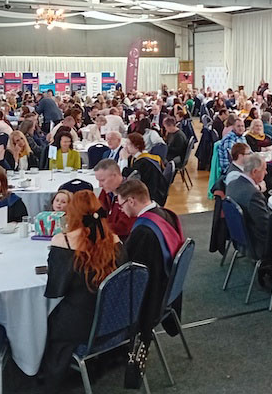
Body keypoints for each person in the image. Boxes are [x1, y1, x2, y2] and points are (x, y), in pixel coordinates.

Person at [42, 190, 125, 384]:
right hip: (114, 316)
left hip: (81, 323)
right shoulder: (114, 239)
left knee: (40, 316)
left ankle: (34, 365)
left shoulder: (64, 241)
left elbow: (56, 289)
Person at [118, 179, 185, 348]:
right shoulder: (165, 214)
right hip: (169, 290)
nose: (121, 209)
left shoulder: (143, 232)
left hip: (152, 298)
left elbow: (131, 274)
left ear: (131, 201)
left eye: (121, 205)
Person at [225, 155, 271, 258]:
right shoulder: (253, 194)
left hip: (240, 238)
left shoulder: (232, 184)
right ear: (254, 172)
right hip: (256, 243)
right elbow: (265, 226)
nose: (266, 173)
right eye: (264, 170)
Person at [93, 158, 136, 239]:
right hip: (108, 237)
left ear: (115, 175)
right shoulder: (107, 191)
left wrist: (96, 228)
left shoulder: (130, 194)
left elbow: (124, 228)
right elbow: (97, 210)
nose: (100, 185)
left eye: (102, 180)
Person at [122, 133, 168, 205]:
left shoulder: (143, 162)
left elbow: (128, 176)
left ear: (136, 146)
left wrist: (124, 159)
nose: (125, 147)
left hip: (152, 196)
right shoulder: (136, 158)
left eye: (128, 144)